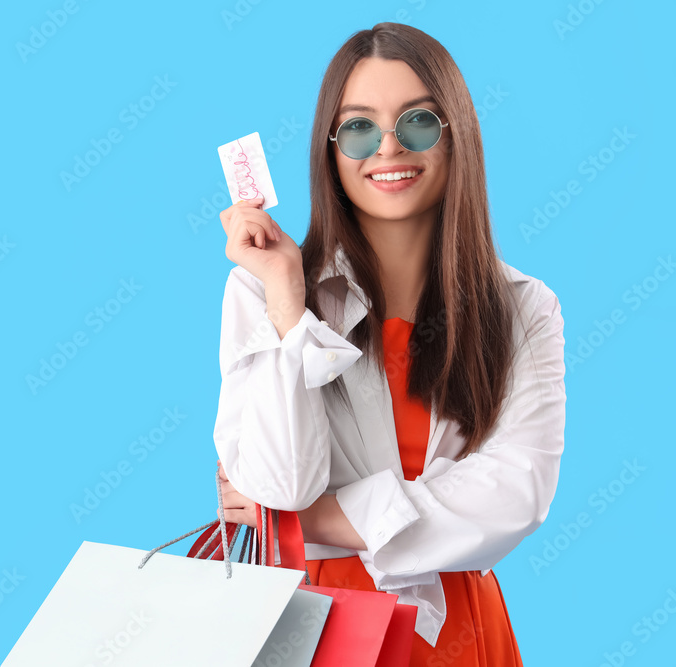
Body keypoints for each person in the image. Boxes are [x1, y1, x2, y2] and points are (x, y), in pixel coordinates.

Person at [212, 22, 565, 664]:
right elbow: (282, 483)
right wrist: (291, 302)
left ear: (456, 136)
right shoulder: (259, 290)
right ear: (331, 149)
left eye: (419, 123)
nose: (389, 149)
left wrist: (315, 521)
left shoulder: (521, 308)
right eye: (359, 129)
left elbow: (516, 494)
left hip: (457, 627)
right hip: (313, 622)